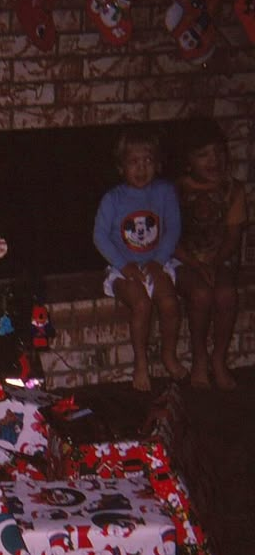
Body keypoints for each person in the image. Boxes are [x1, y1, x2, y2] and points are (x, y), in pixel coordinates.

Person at [93, 127, 186, 391]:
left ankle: (168, 355)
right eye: (134, 162)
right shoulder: (113, 199)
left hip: (158, 261)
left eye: (147, 161)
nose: (141, 168)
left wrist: (158, 261)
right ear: (121, 167)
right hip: (123, 266)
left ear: (157, 164)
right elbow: (100, 237)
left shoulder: (165, 192)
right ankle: (141, 363)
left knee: (169, 302)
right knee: (142, 305)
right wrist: (124, 266)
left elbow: (173, 228)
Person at [174, 119, 247, 390]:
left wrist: (214, 263)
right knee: (201, 294)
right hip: (184, 259)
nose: (213, 160)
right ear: (188, 161)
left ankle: (219, 359)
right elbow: (168, 237)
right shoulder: (176, 190)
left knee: (226, 294)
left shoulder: (233, 190)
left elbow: (232, 236)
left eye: (217, 153)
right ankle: (200, 359)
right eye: (203, 155)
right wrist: (195, 263)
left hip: (220, 258)